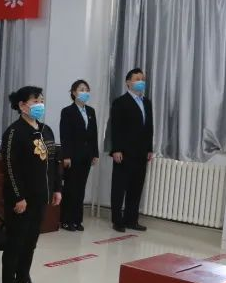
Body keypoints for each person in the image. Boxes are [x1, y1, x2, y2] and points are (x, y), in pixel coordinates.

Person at [0, 86, 61, 283]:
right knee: (15, 243)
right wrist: (18, 197)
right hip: (21, 200)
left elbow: (53, 162)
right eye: (35, 101)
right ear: (22, 105)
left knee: (30, 244)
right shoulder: (14, 132)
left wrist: (57, 188)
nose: (40, 104)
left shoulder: (46, 131)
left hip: (40, 198)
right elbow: (10, 167)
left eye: (41, 100)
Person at [109, 68, 154, 232]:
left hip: (141, 153)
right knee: (119, 187)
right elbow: (116, 128)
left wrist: (149, 148)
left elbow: (149, 127)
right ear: (128, 82)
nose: (141, 81)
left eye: (142, 79)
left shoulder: (147, 102)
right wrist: (116, 149)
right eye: (137, 79)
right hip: (124, 152)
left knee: (136, 187)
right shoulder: (120, 102)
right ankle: (117, 220)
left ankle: (131, 219)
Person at [59, 80, 99, 231]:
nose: (85, 92)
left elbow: (94, 134)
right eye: (81, 89)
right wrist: (66, 155)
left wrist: (95, 153)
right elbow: (65, 135)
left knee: (81, 188)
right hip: (72, 156)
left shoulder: (91, 111)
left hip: (86, 156)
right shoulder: (67, 111)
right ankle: (66, 220)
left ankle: (77, 220)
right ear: (74, 92)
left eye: (87, 90)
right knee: (70, 188)